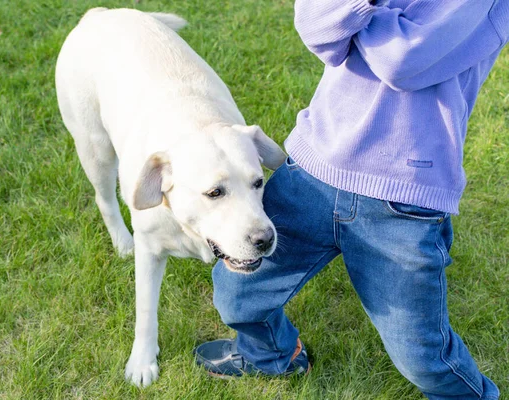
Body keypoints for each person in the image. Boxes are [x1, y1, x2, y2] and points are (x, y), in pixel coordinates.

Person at [194, 0, 508, 398]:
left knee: (423, 356)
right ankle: (272, 356)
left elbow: (404, 60)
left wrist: (358, 20)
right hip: (312, 172)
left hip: (401, 207)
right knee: (238, 295)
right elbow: (317, 28)